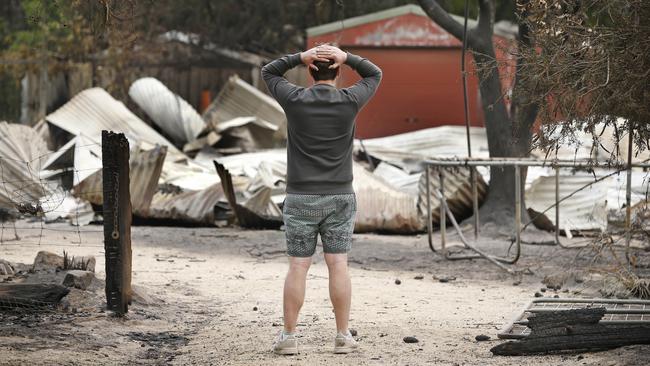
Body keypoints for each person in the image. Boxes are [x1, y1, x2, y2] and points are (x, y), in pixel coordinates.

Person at [261, 44, 382, 355]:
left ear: (309, 71)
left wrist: (299, 57)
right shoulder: (350, 99)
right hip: (340, 196)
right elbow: (374, 73)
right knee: (338, 264)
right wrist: (349, 57)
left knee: (298, 267)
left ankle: (288, 338)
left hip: (300, 197)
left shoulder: (294, 99)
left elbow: (269, 71)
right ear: (339, 71)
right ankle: (343, 335)